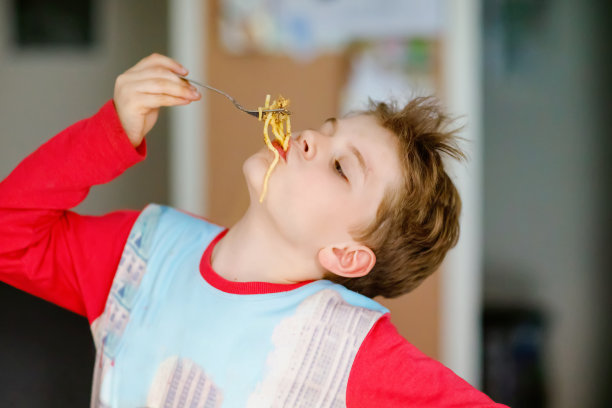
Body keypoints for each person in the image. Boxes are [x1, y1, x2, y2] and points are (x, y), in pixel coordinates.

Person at [0, 53, 506, 407]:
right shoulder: (144, 249)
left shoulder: (352, 351)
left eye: (340, 167)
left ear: (347, 255)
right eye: (326, 130)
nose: (308, 137)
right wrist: (111, 132)